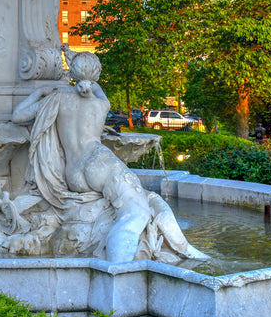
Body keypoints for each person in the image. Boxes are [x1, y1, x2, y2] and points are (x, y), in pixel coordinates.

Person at [11, 51, 205, 263]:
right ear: (98, 74)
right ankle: (120, 269)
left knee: (151, 201)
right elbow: (95, 88)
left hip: (73, 175)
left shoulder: (57, 99)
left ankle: (183, 249)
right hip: (98, 163)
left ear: (74, 73)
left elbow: (18, 116)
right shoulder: (102, 104)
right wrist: (85, 81)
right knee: (137, 212)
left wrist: (41, 92)